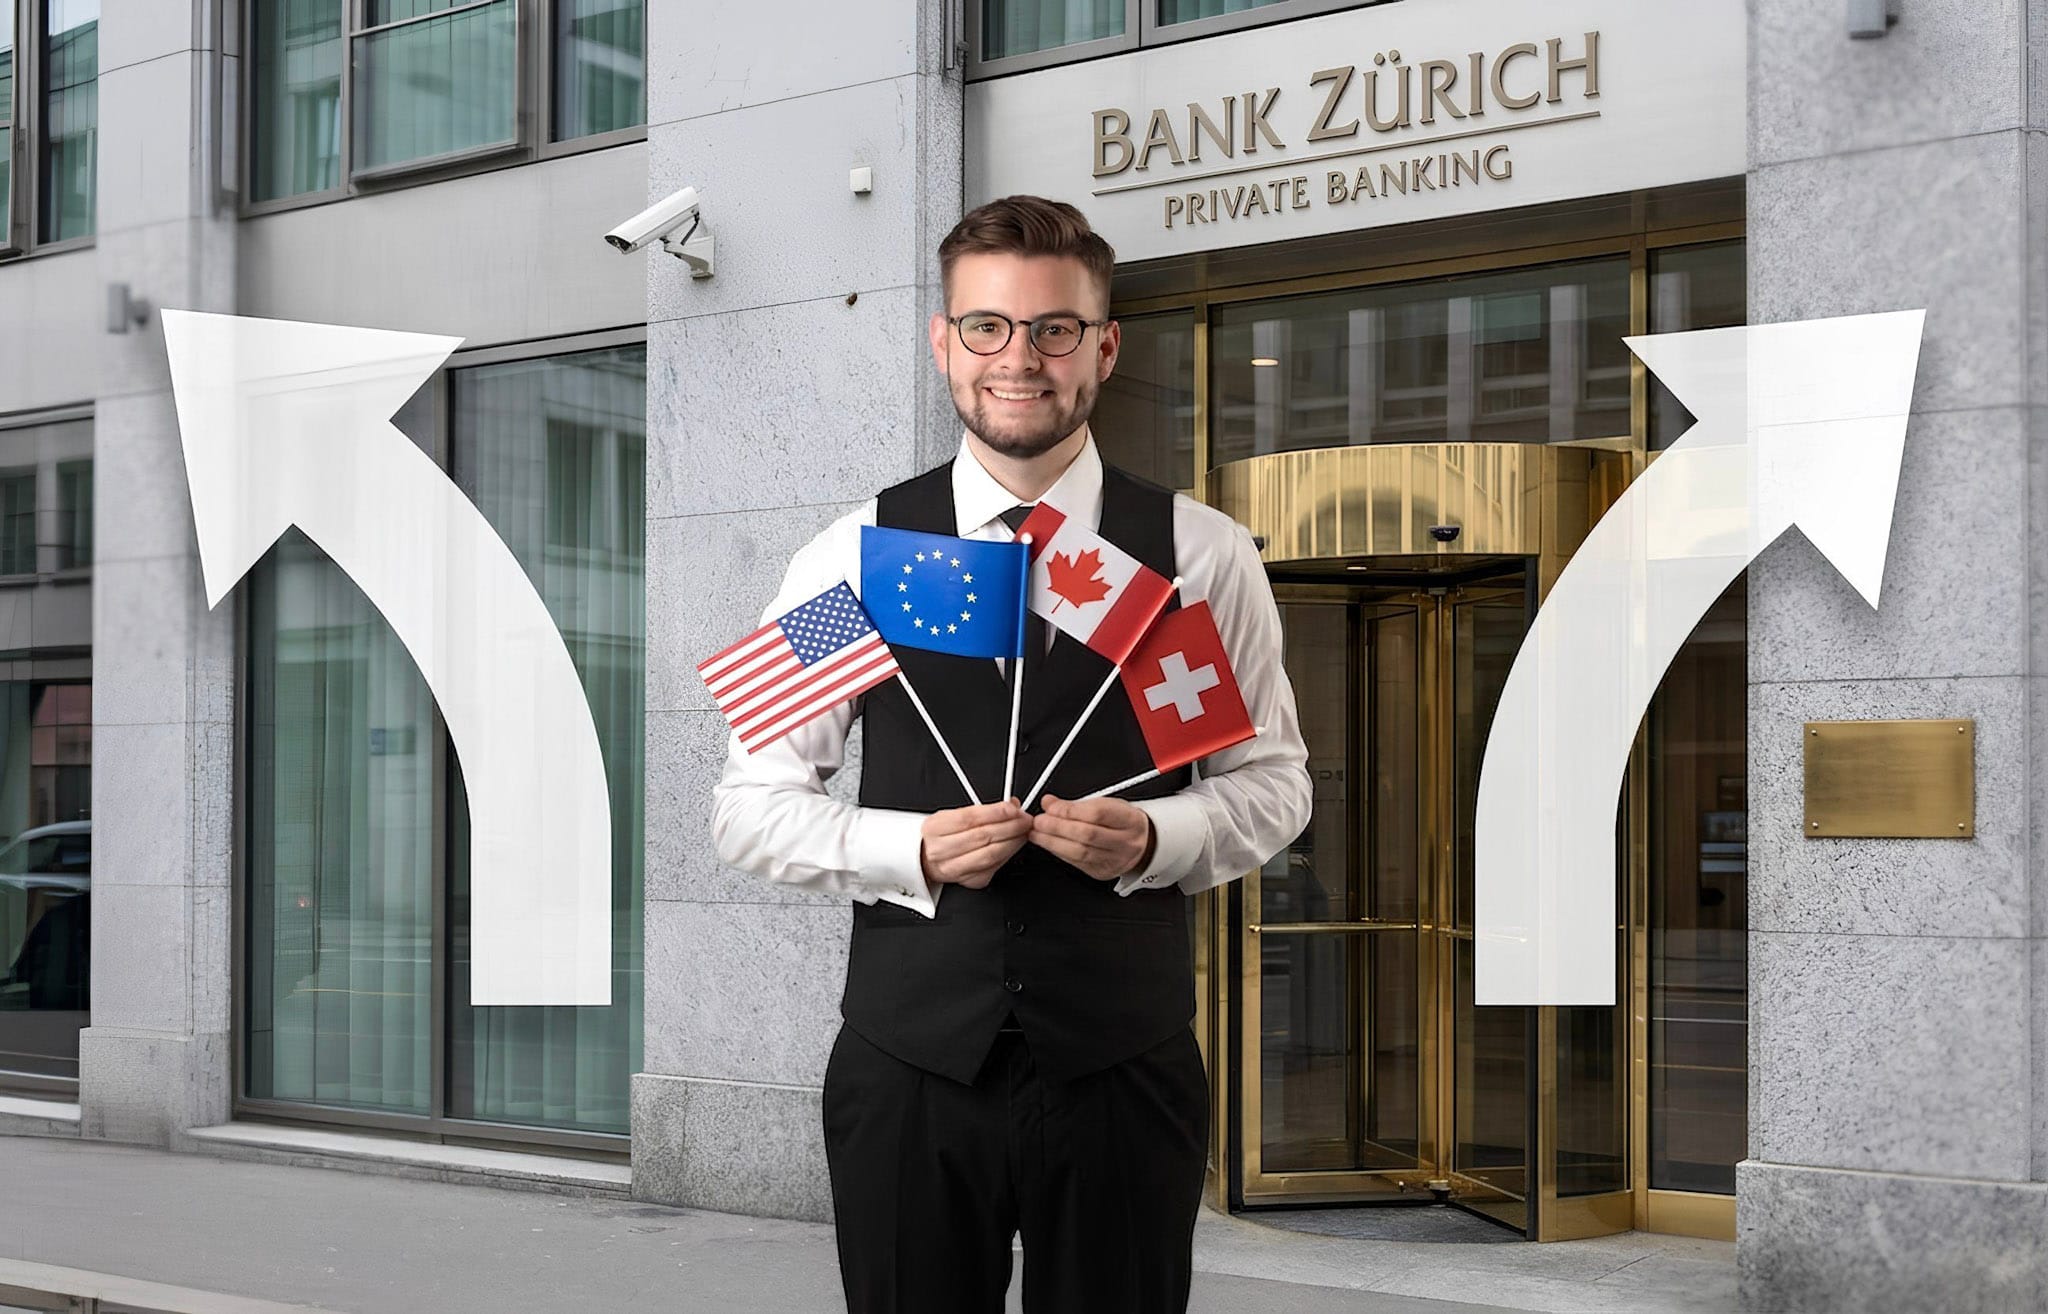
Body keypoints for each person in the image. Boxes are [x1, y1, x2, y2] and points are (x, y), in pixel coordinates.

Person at [711, 194, 1310, 1314]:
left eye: (1053, 329)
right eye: (986, 326)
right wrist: (911, 849)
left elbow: (1273, 785)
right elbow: (750, 803)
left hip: (1122, 1064)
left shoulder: (1199, 555)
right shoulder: (857, 554)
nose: (1019, 359)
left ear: (1104, 347)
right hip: (909, 1068)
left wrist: (1158, 834)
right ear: (943, 342)